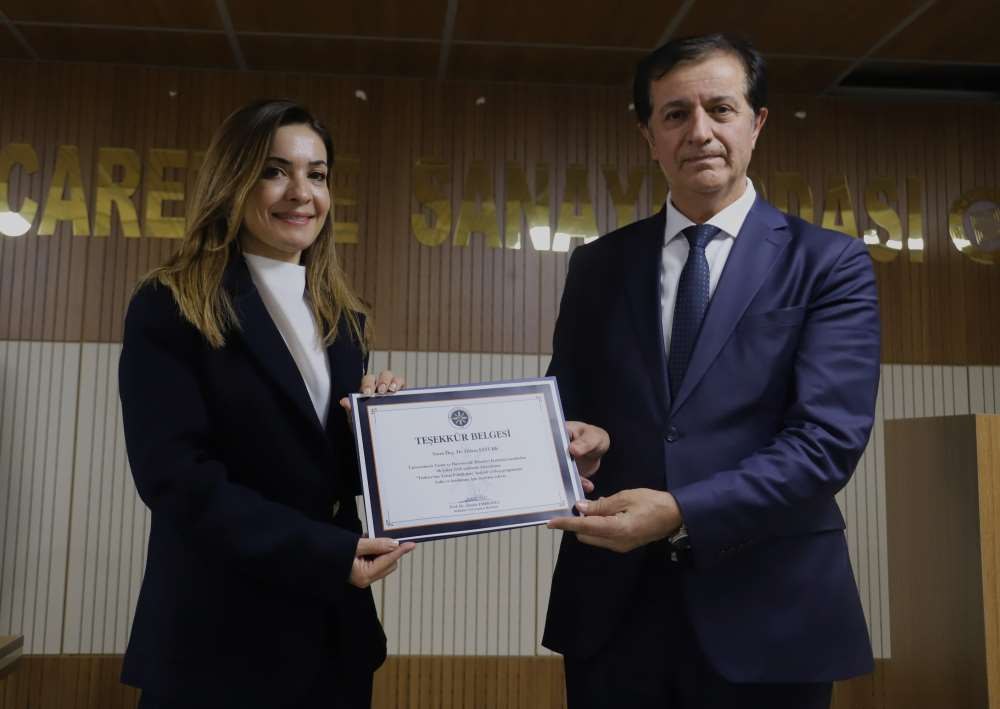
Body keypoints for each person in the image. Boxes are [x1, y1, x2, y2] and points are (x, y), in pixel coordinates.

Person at [546, 34, 880, 708]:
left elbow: (826, 442)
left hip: (770, 611)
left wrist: (681, 511)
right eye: (675, 114)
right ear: (649, 136)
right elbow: (563, 405)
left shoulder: (829, 263)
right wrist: (578, 437)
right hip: (614, 613)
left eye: (720, 109)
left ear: (757, 123)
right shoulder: (598, 265)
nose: (699, 131)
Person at [118, 99, 415, 709]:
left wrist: (377, 427)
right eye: (275, 171)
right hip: (218, 639)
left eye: (317, 174)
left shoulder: (343, 318)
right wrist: (325, 554)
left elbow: (325, 473)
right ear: (233, 180)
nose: (301, 193)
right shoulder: (171, 303)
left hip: (332, 635)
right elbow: (176, 479)